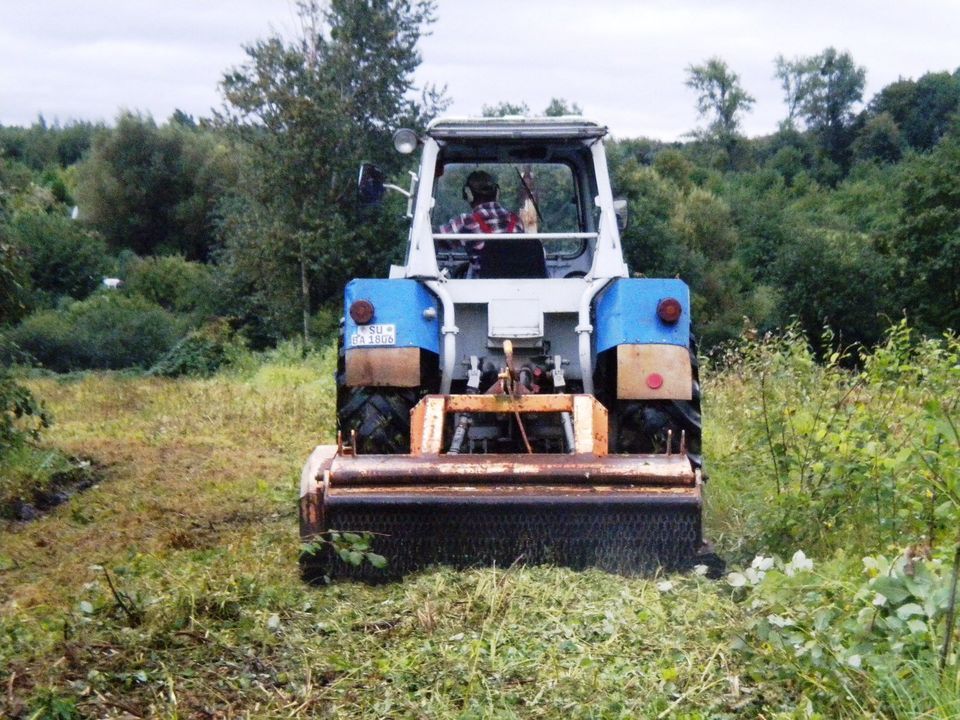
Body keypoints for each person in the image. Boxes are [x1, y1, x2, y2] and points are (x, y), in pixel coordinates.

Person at [440, 170, 546, 278]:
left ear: (469, 194)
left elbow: (437, 239)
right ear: (497, 193)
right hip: (520, 289)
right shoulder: (516, 221)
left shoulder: (466, 222)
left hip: (483, 291)